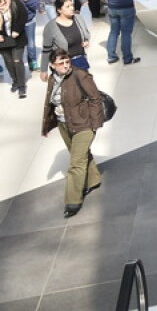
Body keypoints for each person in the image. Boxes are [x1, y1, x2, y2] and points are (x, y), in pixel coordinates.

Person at [40, 48, 103, 216]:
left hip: (84, 124)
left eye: (67, 61)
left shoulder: (80, 75)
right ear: (52, 66)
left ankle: (73, 201)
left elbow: (95, 98)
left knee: (76, 164)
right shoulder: (53, 79)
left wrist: (95, 124)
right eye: (61, 63)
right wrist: (46, 126)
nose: (66, 65)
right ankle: (94, 180)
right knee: (81, 155)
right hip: (64, 125)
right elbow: (50, 104)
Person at [39, 0, 90, 73]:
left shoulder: (79, 18)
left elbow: (86, 34)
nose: (72, 8)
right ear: (59, 10)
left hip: (81, 62)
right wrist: (43, 70)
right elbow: (46, 50)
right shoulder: (50, 27)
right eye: (67, 6)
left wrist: (86, 41)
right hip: (64, 66)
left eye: (72, 5)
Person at [0, 0, 30, 98]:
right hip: (3, 39)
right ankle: (15, 81)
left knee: (17, 61)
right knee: (8, 62)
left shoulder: (15, 2)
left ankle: (22, 86)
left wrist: (17, 30)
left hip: (17, 37)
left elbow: (23, 16)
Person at [14, 0, 41, 72]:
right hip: (17, 24)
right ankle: (18, 62)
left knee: (31, 42)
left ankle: (33, 61)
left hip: (30, 22)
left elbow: (35, 7)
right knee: (18, 44)